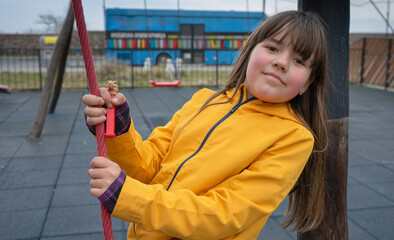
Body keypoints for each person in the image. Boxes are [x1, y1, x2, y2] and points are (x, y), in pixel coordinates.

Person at [82, 10, 329, 240]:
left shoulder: (293, 137)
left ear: (308, 82)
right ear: (251, 50)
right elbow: (148, 167)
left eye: (299, 61)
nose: (282, 62)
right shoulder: (203, 100)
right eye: (273, 47)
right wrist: (119, 130)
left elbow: (225, 212)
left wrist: (129, 197)